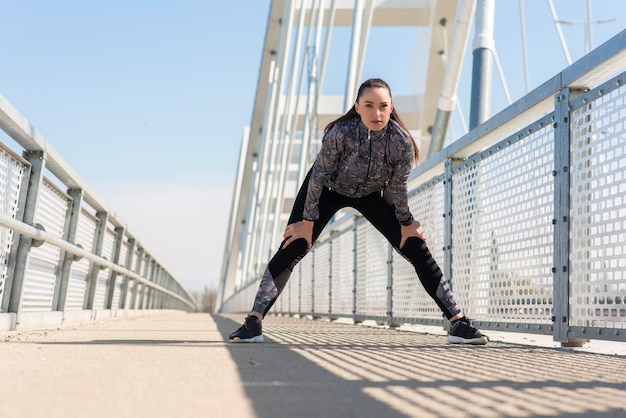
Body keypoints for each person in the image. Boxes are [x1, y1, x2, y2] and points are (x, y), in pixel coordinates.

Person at [229, 78, 488, 345]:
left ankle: (458, 323)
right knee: (294, 245)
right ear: (357, 106)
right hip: (327, 189)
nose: (376, 113)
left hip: (373, 194)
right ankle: (253, 322)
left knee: (415, 246)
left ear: (390, 108)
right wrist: (307, 221)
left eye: (383, 106)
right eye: (369, 105)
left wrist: (407, 223)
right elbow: (318, 176)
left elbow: (398, 188)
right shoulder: (340, 133)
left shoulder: (401, 143)